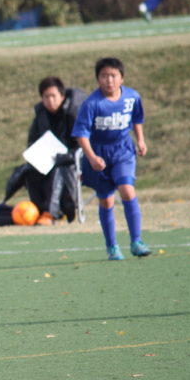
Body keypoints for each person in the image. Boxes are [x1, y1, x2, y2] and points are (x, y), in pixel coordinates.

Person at [72, 57, 151, 261]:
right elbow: (81, 134)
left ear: (122, 78)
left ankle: (137, 241)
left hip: (123, 150)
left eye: (113, 75)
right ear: (98, 79)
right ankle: (112, 247)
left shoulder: (132, 97)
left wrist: (140, 140)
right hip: (99, 153)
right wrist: (91, 157)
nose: (109, 80)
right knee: (106, 200)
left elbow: (137, 119)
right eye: (104, 76)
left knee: (127, 189)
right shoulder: (92, 104)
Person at [24, 77, 86, 225]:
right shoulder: (41, 115)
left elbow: (84, 144)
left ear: (62, 96)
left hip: (76, 160)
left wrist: (66, 156)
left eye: (53, 96)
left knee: (59, 169)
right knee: (29, 171)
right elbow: (32, 140)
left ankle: (51, 213)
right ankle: (38, 210)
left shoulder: (74, 112)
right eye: (46, 97)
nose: (50, 100)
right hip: (49, 159)